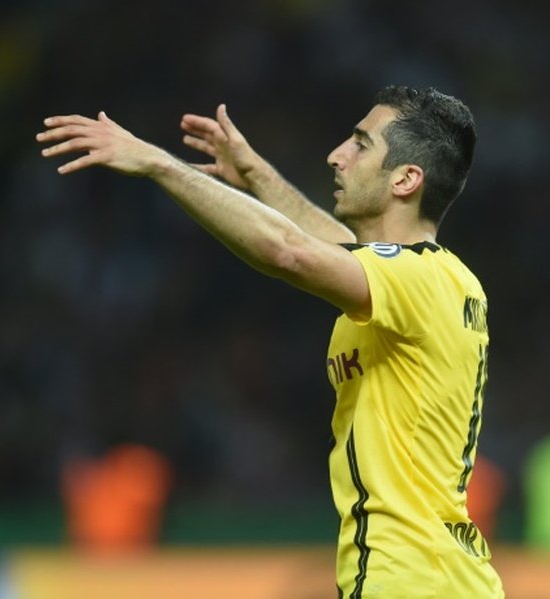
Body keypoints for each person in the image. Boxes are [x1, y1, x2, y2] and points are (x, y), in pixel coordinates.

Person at [37, 85, 504, 598]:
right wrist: (257, 177)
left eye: (361, 144)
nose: (337, 155)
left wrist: (159, 164)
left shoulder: (414, 280)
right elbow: (332, 247)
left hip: (410, 582)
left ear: (406, 179)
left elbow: (289, 251)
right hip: (440, 577)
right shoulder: (436, 279)